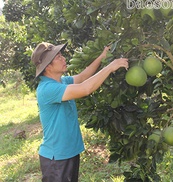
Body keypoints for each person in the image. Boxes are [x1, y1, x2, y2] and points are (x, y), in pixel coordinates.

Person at [31, 42, 128, 182]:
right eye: (58, 57)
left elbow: (83, 76)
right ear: (48, 66)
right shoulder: (47, 88)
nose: (63, 59)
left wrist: (102, 56)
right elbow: (85, 89)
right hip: (56, 158)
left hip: (69, 152)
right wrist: (111, 67)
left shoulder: (62, 81)